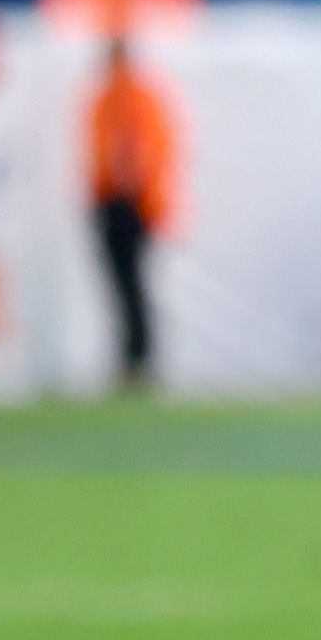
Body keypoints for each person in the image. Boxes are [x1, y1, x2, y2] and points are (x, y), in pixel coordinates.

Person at [83, 36, 179, 393]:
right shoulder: (135, 93)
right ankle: (135, 359)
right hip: (131, 201)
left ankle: (135, 361)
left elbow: (128, 147)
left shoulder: (123, 94)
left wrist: (126, 185)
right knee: (131, 286)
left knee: (128, 286)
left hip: (124, 202)